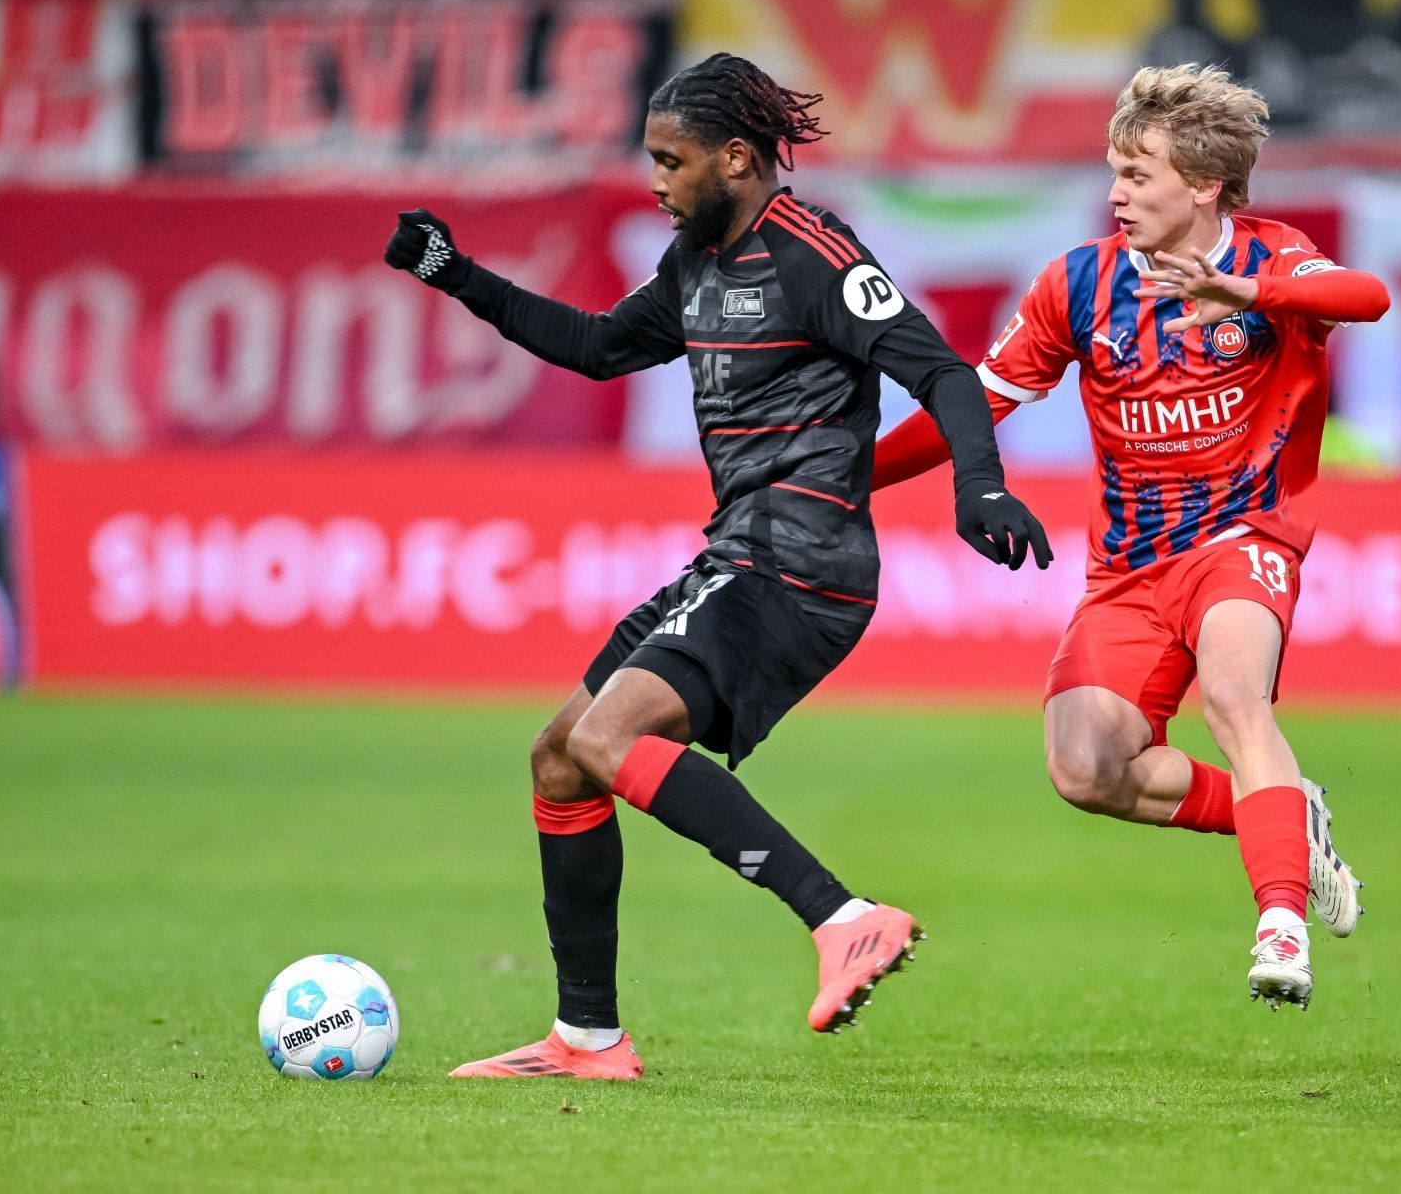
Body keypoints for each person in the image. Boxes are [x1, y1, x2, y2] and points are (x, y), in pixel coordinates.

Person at [383, 53, 1052, 1079]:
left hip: (802, 559)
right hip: (740, 551)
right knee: (561, 755)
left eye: (671, 159)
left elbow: (941, 370)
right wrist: (455, 274)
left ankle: (845, 916)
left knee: (608, 735)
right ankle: (588, 1039)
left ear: (737, 157)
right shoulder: (695, 259)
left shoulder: (812, 255)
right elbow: (599, 345)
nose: (655, 179)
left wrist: (981, 488)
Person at [871, 65, 1388, 1010]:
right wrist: (847, 478)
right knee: (1084, 767)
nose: (1116, 193)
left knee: (1236, 696)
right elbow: (979, 402)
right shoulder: (1079, 282)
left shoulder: (1279, 256)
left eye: (1138, 175)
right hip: (1129, 570)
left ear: (1203, 185)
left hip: (1244, 536)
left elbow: (1365, 296)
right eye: (1114, 172)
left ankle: (1280, 922)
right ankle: (1283, 814)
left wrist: (1247, 292)